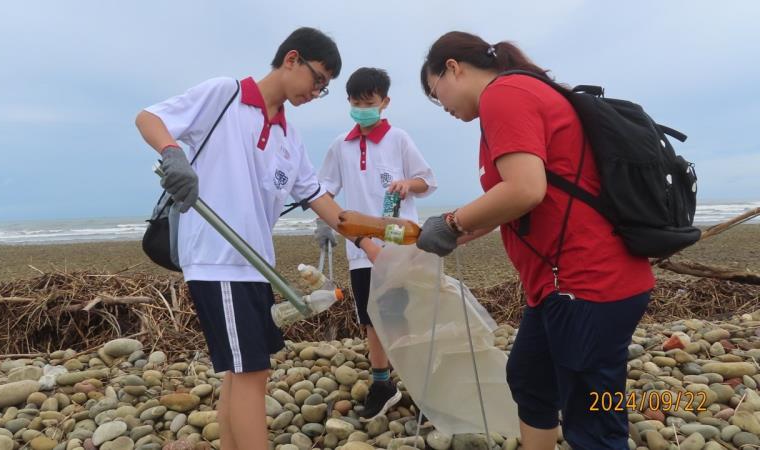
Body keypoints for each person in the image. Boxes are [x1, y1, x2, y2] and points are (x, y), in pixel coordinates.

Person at [135, 27, 377, 449]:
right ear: (291, 59)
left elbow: (321, 200)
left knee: (246, 370)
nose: (317, 92)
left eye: (325, 88)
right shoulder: (224, 94)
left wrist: (373, 244)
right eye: (318, 80)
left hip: (256, 264)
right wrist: (173, 154)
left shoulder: (288, 137)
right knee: (249, 371)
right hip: (218, 259)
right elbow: (150, 117)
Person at [415, 31, 654, 450]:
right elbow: (524, 198)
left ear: (453, 67)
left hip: (587, 285)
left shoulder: (503, 94)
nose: (444, 108)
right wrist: (465, 230)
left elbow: (526, 189)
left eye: (437, 94)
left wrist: (451, 222)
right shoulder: (524, 88)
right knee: (530, 379)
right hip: (558, 287)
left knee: (594, 423)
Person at [316, 67, 437, 420]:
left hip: (400, 246)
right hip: (359, 250)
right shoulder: (341, 145)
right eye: (355, 101)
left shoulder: (398, 138)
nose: (361, 107)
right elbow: (324, 190)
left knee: (401, 317)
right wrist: (321, 225)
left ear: (384, 102)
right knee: (371, 320)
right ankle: (383, 384)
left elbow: (428, 181)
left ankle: (421, 385)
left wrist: (406, 184)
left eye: (368, 102)